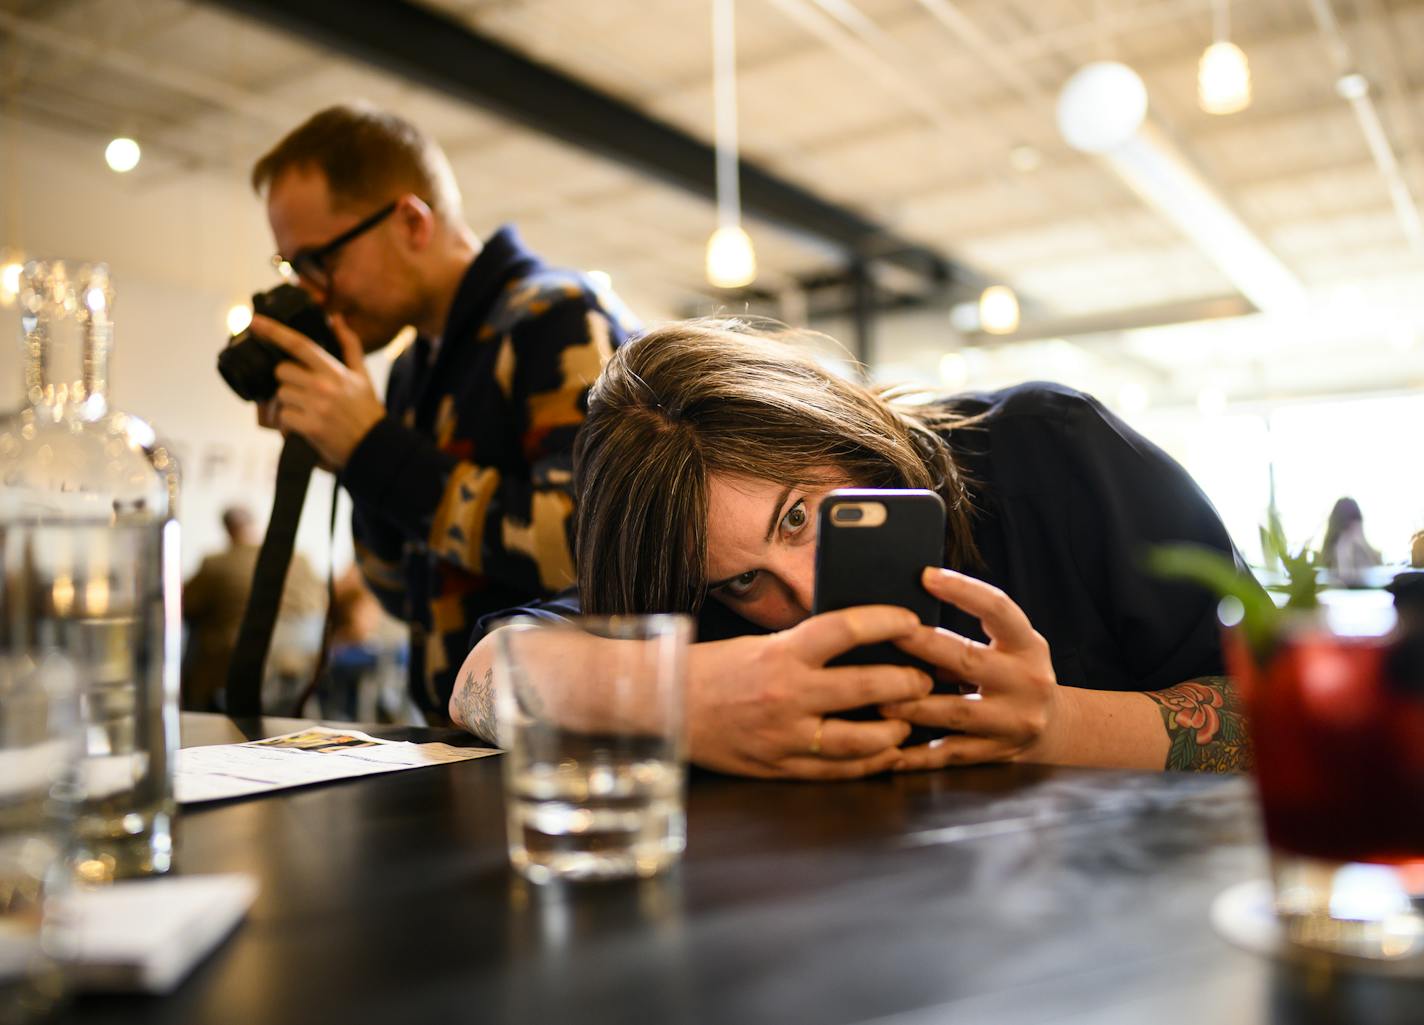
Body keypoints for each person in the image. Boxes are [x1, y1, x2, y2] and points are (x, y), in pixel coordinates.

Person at [450, 321, 1256, 779]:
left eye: (799, 516)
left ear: (832, 428)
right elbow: (481, 676)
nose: (802, 595)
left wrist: (1056, 725)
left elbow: (1271, 718)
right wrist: (670, 696)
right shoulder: (692, 591)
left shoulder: (1051, 452)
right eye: (742, 580)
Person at [246, 103, 638, 721]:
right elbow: (402, 594)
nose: (315, 293)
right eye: (294, 269)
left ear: (410, 221)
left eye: (320, 261)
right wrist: (350, 460)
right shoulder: (411, 368)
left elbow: (591, 548)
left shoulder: (555, 315)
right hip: (453, 732)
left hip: (560, 740)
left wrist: (374, 449)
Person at [182, 506, 324, 711]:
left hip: (239, 656)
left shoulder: (216, 564)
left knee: (196, 638)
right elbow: (321, 601)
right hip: (300, 655)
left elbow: (186, 606)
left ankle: (193, 713)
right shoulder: (298, 559)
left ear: (228, 530)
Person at [1319, 497, 1381, 585]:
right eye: (1348, 528)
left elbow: (1375, 578)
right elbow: (1345, 579)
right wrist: (1344, 553)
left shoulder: (1372, 555)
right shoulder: (1326, 559)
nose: (1352, 534)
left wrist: (1362, 548)